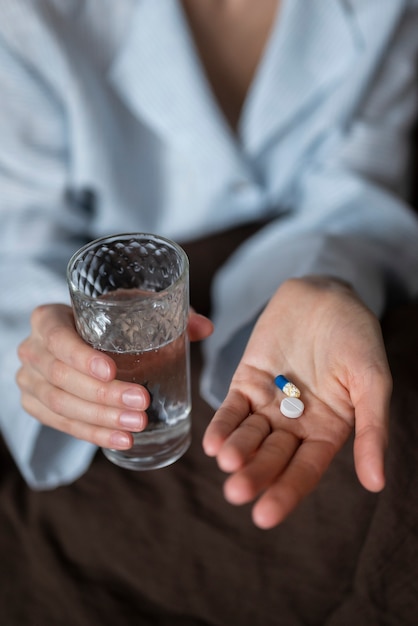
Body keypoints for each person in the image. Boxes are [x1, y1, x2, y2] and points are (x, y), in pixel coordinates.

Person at [1, 0, 418, 532]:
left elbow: (358, 197)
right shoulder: (27, 16)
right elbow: (15, 252)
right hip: (107, 405)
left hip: (293, 345)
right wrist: (50, 355)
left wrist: (323, 282)